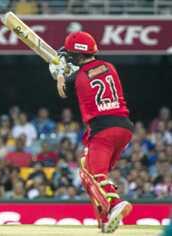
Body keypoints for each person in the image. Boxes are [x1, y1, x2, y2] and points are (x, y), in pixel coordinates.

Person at [49, 31, 134, 233]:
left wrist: (59, 73)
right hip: (124, 127)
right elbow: (89, 72)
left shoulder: (77, 78)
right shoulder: (110, 67)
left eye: (70, 53)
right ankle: (104, 220)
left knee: (96, 175)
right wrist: (66, 71)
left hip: (103, 130)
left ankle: (115, 205)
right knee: (86, 170)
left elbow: (63, 90)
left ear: (76, 55)